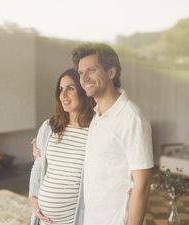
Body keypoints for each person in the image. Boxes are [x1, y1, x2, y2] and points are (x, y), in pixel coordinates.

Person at [72, 43, 154, 225]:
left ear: (111, 72)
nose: (84, 78)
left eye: (91, 70)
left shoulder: (131, 118)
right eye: (80, 73)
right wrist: (42, 145)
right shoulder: (97, 116)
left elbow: (142, 184)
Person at [28, 68, 94, 225]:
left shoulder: (95, 131)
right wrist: (33, 198)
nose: (63, 95)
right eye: (61, 89)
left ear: (84, 91)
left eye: (70, 88)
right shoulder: (49, 127)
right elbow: (38, 167)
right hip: (42, 219)